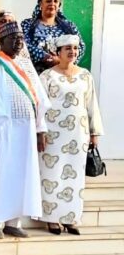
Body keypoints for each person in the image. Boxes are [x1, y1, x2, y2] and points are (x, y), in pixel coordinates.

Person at [0, 21, 50, 239]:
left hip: (26, 131)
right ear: (2, 41)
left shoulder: (27, 65)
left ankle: (13, 222)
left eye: (21, 38)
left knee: (22, 176)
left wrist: (40, 129)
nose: (18, 42)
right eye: (13, 38)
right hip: (2, 129)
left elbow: (39, 99)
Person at [36, 34, 103, 235]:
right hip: (53, 134)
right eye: (67, 49)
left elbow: (92, 104)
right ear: (58, 52)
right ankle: (52, 218)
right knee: (52, 173)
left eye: (75, 48)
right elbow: (39, 106)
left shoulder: (85, 75)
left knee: (74, 178)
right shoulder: (47, 76)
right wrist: (40, 131)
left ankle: (71, 218)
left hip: (78, 135)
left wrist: (94, 132)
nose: (72, 52)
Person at [21, 0, 85, 73]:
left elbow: (80, 46)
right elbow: (24, 45)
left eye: (56, 1)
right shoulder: (27, 24)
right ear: (40, 4)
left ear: (59, 5)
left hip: (61, 74)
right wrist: (44, 56)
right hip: (35, 73)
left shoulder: (69, 26)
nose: (52, 3)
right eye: (48, 1)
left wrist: (61, 61)